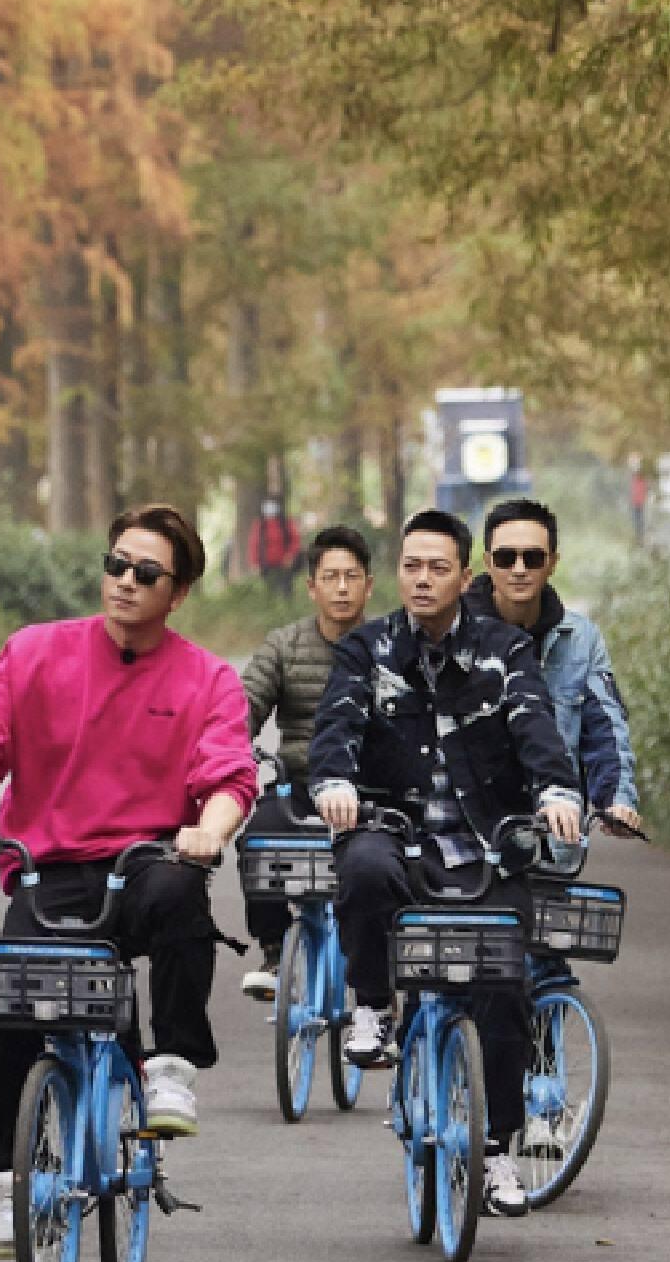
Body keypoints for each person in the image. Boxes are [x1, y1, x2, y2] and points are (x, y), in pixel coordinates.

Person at [0, 502, 258, 1255]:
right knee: (12, 1007)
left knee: (182, 892)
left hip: (143, 866)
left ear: (177, 593)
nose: (124, 581)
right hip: (48, 871)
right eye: (116, 563)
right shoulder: (34, 653)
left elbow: (230, 776)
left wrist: (209, 833)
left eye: (146, 573)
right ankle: (17, 1186)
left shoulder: (207, 678)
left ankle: (171, 1064)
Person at [309, 508, 582, 1219]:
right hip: (391, 832)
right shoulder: (366, 650)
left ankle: (496, 1150)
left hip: (485, 846)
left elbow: (534, 724)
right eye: (410, 566)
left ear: (467, 577)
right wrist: (334, 782)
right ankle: (372, 1006)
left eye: (437, 567)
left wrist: (556, 791)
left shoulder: (503, 650)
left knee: (507, 983)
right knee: (363, 871)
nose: (422, 579)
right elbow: (336, 722)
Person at [234, 523, 376, 997]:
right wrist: (231, 743)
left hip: (374, 792)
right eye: (330, 576)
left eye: (351, 576)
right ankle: (274, 953)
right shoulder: (285, 646)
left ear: (368, 585)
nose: (341, 587)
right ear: (311, 586)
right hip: (300, 787)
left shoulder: (391, 644)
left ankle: (388, 979)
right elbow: (246, 704)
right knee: (257, 841)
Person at [470, 496, 641, 828]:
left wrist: (616, 801)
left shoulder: (580, 639)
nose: (519, 569)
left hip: (552, 833)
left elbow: (606, 728)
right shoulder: (451, 632)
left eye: (532, 558)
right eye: (506, 558)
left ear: (553, 563)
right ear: (488, 562)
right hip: (466, 838)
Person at [247, 496, 303, 600]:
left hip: (284, 563)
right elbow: (253, 545)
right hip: (266, 564)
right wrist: (254, 563)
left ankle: (288, 609)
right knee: (270, 590)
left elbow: (295, 540)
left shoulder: (286, 523)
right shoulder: (259, 525)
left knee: (286, 589)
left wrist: (290, 555)